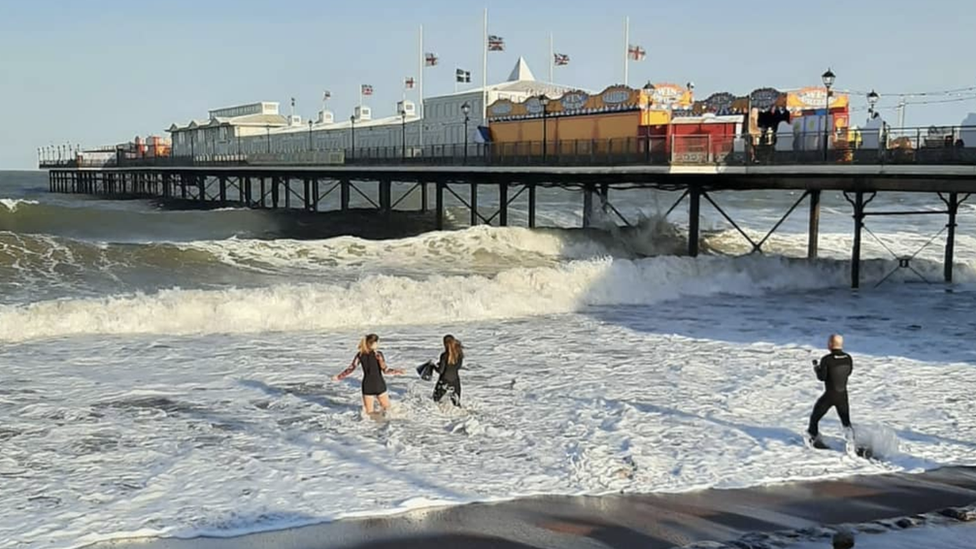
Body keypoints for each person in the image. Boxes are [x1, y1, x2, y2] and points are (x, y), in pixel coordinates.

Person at [332, 333, 404, 416]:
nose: (378, 344)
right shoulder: (378, 355)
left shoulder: (360, 355)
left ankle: (371, 428)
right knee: (388, 409)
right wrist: (398, 371)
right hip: (379, 384)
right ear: (372, 343)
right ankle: (386, 426)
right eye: (377, 342)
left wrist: (339, 377)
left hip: (367, 386)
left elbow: (351, 368)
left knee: (369, 413)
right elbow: (386, 370)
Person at [807, 334, 854, 448]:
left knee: (814, 418)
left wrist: (817, 369)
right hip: (843, 395)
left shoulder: (827, 359)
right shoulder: (848, 358)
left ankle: (814, 439)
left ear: (830, 345)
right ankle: (854, 445)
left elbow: (822, 377)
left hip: (830, 395)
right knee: (846, 423)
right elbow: (848, 373)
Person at [432, 334, 464, 407]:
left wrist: (434, 366)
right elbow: (458, 366)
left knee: (436, 400)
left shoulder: (444, 355)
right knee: (456, 403)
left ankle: (438, 416)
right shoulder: (459, 354)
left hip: (444, 380)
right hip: (455, 381)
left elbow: (440, 371)